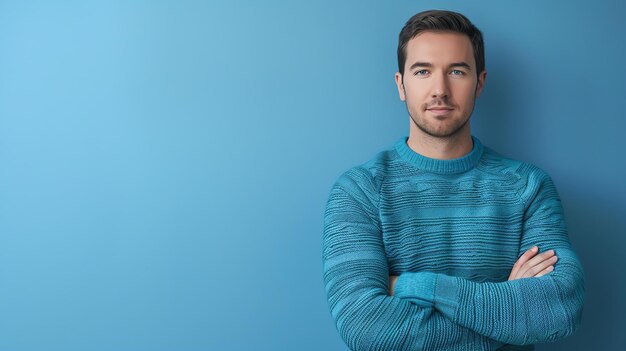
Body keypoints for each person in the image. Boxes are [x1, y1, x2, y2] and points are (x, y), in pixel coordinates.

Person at [322, 9, 585, 351]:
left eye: (457, 71)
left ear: (480, 82)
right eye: (423, 71)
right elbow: (367, 329)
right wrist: (507, 309)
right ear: (401, 84)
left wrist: (415, 286)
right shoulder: (359, 191)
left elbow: (559, 309)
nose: (440, 90)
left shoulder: (528, 187)